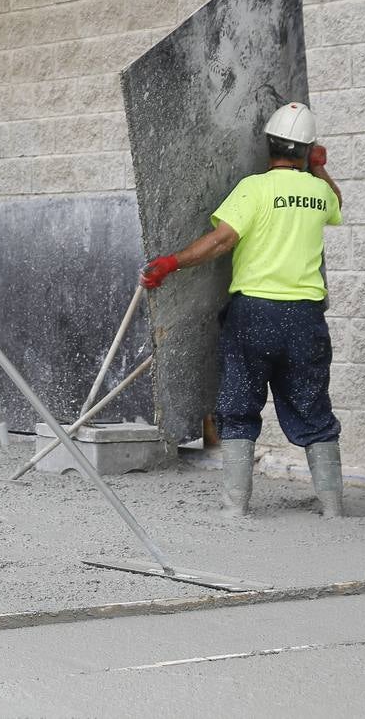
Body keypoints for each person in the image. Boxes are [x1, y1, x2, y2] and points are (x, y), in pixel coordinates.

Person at [140, 102, 345, 518]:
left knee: (238, 403)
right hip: (306, 317)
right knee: (313, 406)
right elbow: (336, 200)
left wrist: (171, 263)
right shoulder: (319, 192)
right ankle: (334, 510)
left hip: (255, 313)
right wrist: (320, 168)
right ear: (308, 150)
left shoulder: (254, 188)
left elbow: (221, 240)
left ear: (268, 144)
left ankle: (235, 509)